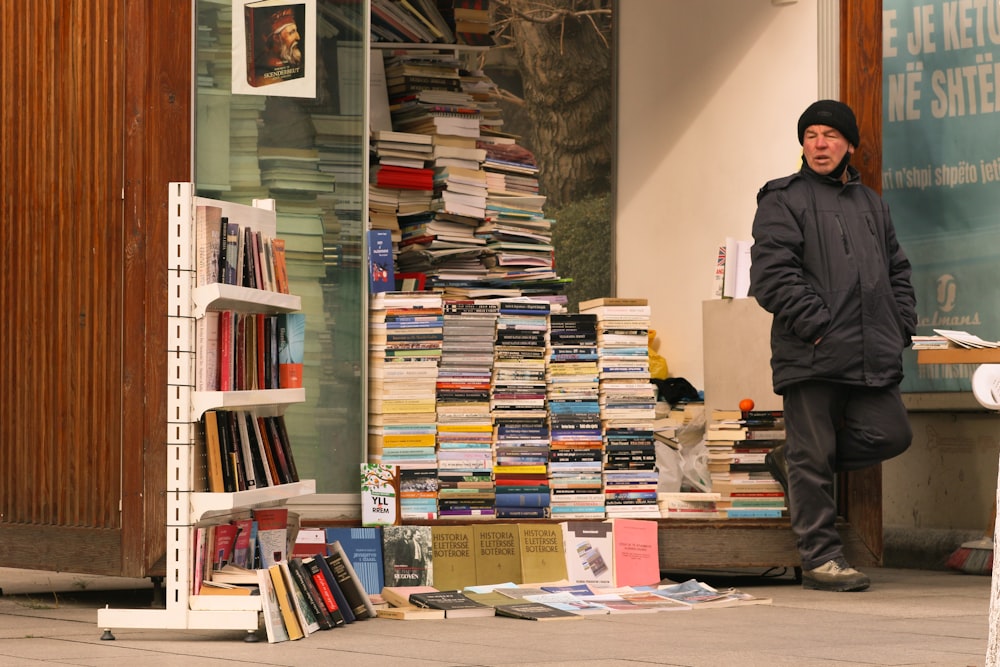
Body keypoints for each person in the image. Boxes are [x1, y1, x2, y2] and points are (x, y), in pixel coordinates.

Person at [748, 100, 917, 592]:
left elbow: (898, 270)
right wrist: (816, 325)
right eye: (811, 136)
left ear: (848, 144)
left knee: (891, 433)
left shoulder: (871, 203)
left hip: (872, 351)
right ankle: (822, 560)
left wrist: (900, 323)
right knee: (813, 454)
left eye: (830, 136)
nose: (819, 144)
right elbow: (772, 276)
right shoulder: (782, 199)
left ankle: (791, 460)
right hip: (813, 352)